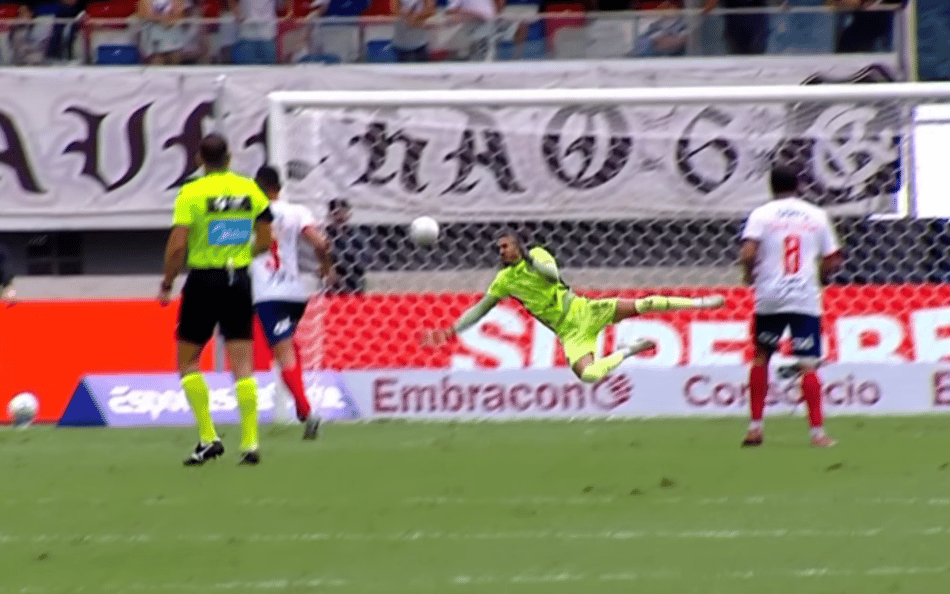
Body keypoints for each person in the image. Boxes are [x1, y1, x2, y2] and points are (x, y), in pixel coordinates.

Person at [422, 229, 725, 382]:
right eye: (498, 247)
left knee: (644, 304)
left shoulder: (538, 255)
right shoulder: (504, 280)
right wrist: (451, 330)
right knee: (591, 376)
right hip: (570, 334)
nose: (500, 250)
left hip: (584, 310)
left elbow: (553, 275)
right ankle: (628, 350)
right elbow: (480, 308)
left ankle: (701, 302)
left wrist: (530, 260)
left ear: (518, 246)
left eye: (505, 245)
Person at [158, 133, 274, 466]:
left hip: (204, 280)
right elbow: (266, 241)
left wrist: (167, 282)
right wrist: (239, 253)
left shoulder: (191, 192)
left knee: (188, 361)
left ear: (199, 159)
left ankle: (208, 437)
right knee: (243, 365)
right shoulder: (250, 189)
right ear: (231, 156)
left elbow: (177, 245)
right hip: (238, 280)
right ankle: (250, 443)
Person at [739, 164, 842, 449]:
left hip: (770, 296)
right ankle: (818, 434)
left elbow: (748, 252)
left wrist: (749, 275)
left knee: (761, 356)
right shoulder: (816, 215)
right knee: (808, 365)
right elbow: (833, 258)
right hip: (804, 296)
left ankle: (755, 429)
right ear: (799, 186)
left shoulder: (761, 214)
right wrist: (821, 278)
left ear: (771, 187)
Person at [250, 165, 331, 439]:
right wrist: (325, 268)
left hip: (268, 293)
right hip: (295, 293)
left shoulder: (249, 212)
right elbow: (320, 243)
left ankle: (306, 412)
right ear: (279, 187)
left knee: (282, 353)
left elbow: (224, 243)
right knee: (289, 347)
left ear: (258, 187)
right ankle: (301, 404)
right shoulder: (298, 211)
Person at [325, 198, 368, 295]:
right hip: (332, 288)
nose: (340, 217)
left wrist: (336, 269)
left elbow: (362, 263)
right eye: (335, 214)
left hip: (354, 285)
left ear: (348, 213)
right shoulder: (325, 234)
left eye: (343, 212)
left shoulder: (358, 235)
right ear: (330, 216)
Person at [703, 0, 769, 55]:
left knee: (755, 55)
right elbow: (708, 7)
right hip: (734, 26)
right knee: (738, 55)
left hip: (757, 24)